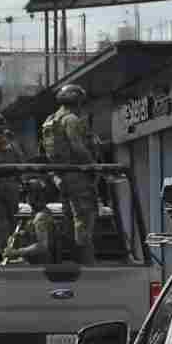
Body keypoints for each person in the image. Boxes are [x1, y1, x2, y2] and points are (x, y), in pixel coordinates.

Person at [40, 84, 101, 263]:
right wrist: (93, 166)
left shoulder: (50, 120)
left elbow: (47, 152)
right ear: (78, 101)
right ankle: (87, 262)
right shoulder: (70, 119)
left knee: (70, 219)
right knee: (84, 218)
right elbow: (77, 146)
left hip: (61, 176)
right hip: (77, 174)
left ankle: (70, 257)